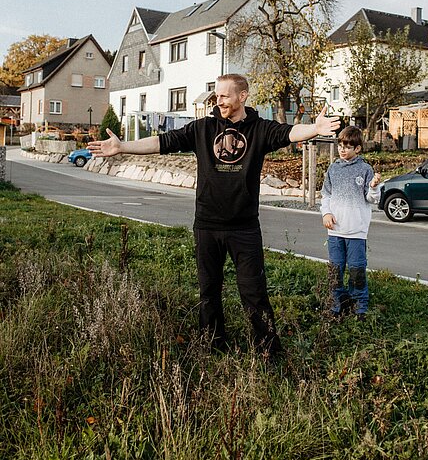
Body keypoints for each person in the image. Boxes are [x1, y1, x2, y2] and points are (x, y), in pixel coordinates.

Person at [88, 74, 340, 355]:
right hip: (207, 225)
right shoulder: (203, 128)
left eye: (224, 96)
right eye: (216, 95)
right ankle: (213, 346)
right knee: (209, 292)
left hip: (244, 228)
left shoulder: (259, 129)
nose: (217, 100)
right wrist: (123, 147)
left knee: (254, 294)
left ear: (242, 96)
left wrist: (315, 128)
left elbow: (289, 133)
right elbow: (163, 142)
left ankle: (269, 352)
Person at [320, 125, 381, 321]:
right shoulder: (333, 169)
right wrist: (326, 213)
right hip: (335, 231)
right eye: (340, 145)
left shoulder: (365, 169)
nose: (343, 149)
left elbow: (373, 199)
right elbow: (325, 195)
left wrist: (373, 187)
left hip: (356, 232)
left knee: (357, 270)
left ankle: (359, 307)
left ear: (358, 149)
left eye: (348, 146)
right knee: (335, 270)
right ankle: (337, 304)